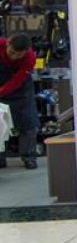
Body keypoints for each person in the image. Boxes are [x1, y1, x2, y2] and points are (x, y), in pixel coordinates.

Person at [0, 34, 39, 169]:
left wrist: (1, 92)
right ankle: (0, 158)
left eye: (19, 55)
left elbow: (17, 80)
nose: (14, 57)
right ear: (7, 44)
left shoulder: (30, 58)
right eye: (11, 52)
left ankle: (29, 156)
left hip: (21, 90)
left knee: (28, 123)